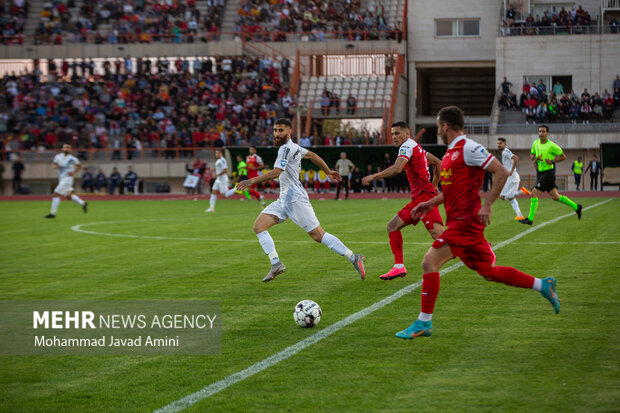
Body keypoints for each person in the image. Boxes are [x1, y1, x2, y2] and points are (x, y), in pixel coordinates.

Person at [396, 106, 560, 340]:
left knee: (429, 262)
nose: (438, 129)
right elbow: (452, 191)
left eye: (438, 125)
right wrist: (430, 203)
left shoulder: (469, 147)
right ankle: (543, 286)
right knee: (489, 272)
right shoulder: (451, 151)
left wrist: (488, 204)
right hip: (461, 223)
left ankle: (424, 322)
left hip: (465, 222)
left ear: (445, 126)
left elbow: (501, 172)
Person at [236, 118, 366, 282]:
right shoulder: (295, 147)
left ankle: (354, 258)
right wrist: (328, 171)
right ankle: (276, 263)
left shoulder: (285, 149)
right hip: (284, 199)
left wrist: (251, 181)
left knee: (318, 235)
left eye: (281, 130)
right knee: (259, 226)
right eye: (275, 130)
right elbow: (312, 155)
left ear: (289, 132)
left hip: (295, 199)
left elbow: (277, 172)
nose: (277, 134)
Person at [362, 122, 443, 280]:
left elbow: (397, 168)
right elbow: (438, 163)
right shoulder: (417, 147)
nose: (394, 137)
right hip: (422, 196)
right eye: (392, 134)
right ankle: (399, 267)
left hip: (424, 197)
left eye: (397, 133)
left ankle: (477, 246)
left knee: (439, 236)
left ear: (407, 133)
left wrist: (374, 176)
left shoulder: (406, 147)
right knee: (393, 226)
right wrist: (434, 185)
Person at [519, 125, 582, 225]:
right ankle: (576, 207)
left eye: (543, 131)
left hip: (548, 174)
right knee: (555, 197)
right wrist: (533, 158)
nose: (541, 133)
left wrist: (552, 161)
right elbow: (531, 154)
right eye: (539, 131)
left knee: (533, 194)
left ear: (547, 133)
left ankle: (530, 219)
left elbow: (563, 156)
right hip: (540, 173)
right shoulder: (535, 143)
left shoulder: (552, 145)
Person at [44, 144, 88, 218]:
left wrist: (74, 173)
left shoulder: (73, 159)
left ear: (70, 150)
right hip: (61, 178)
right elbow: (54, 164)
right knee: (68, 196)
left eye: (68, 148)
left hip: (68, 179)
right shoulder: (58, 157)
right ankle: (83, 203)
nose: (66, 149)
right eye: (65, 147)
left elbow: (79, 166)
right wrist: (55, 166)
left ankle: (52, 214)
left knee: (55, 194)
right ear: (62, 148)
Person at [496, 137, 529, 220]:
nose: (499, 145)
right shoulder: (505, 152)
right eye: (498, 143)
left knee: (503, 197)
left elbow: (516, 158)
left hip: (512, 178)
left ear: (505, 144)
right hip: (511, 178)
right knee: (510, 197)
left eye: (500, 143)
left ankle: (522, 191)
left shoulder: (505, 152)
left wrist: (511, 171)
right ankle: (520, 215)